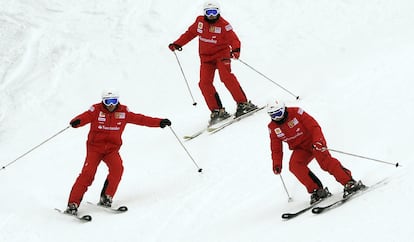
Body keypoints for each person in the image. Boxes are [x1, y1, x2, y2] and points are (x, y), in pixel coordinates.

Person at [64, 90, 171, 215]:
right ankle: (73, 204)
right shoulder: (96, 110)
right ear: (103, 101)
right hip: (95, 148)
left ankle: (106, 198)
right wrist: (77, 121)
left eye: (114, 101)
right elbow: (85, 116)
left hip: (111, 149)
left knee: (117, 169)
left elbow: (141, 119)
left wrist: (159, 122)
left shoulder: (123, 112)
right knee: (88, 174)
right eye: (108, 102)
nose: (111, 105)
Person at [168, 1, 257, 125]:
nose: (211, 15)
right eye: (208, 12)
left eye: (214, 12)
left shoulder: (224, 25)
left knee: (226, 77)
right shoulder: (199, 22)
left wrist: (236, 50)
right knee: (204, 83)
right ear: (204, 13)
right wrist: (177, 44)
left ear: (218, 12)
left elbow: (234, 39)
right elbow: (190, 34)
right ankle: (217, 111)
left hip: (222, 55)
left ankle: (243, 104)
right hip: (206, 59)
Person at [267, 100, 365, 204]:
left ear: (283, 109)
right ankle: (317, 190)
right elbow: (276, 147)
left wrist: (318, 142)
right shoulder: (273, 127)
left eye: (278, 114)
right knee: (295, 166)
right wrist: (277, 163)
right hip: (300, 149)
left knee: (325, 162)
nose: (277, 118)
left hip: (313, 142)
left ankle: (349, 182)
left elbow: (314, 127)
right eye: (273, 115)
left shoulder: (296, 112)